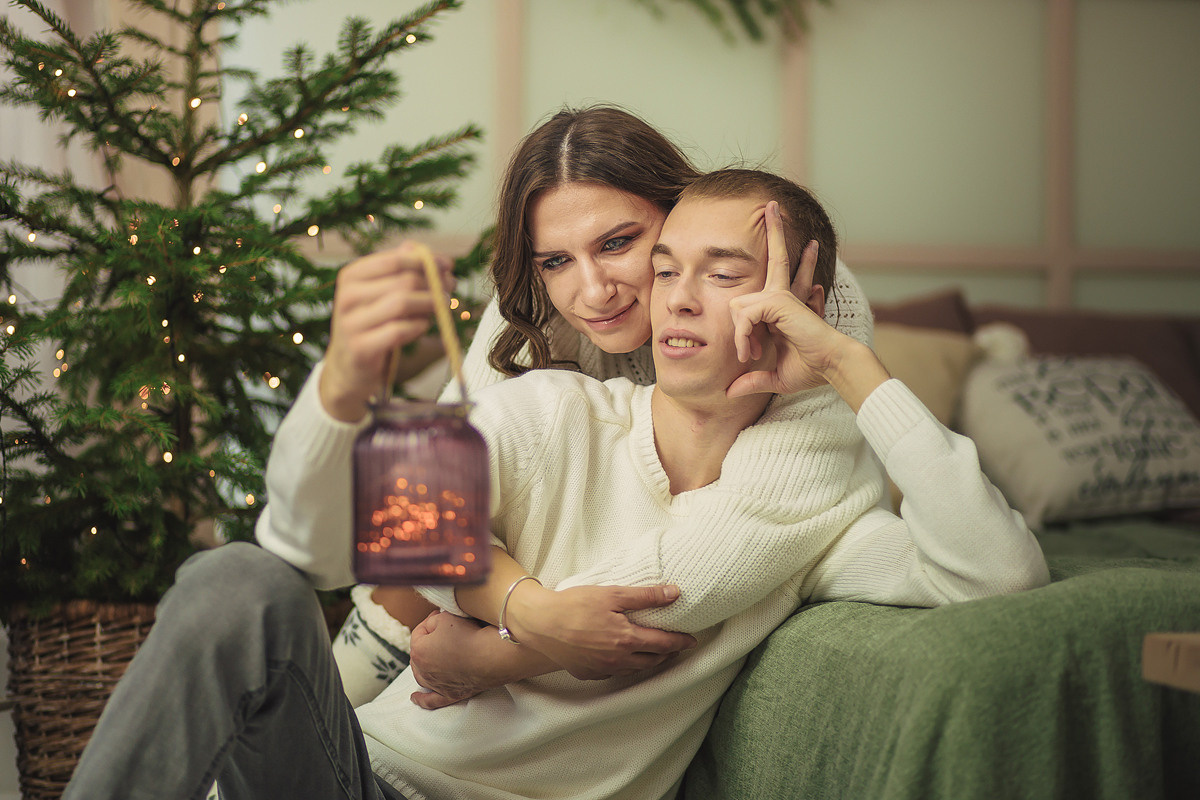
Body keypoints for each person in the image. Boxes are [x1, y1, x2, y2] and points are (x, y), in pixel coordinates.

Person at [64, 168, 1047, 800]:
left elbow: (998, 570)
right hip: (363, 776)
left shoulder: (813, 512)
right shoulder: (559, 408)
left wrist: (846, 364)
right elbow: (395, 528)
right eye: (668, 270)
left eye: (725, 271)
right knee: (240, 580)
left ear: (803, 299)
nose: (677, 299)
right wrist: (525, 611)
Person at [324, 106, 875, 704]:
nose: (592, 292)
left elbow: (729, 544)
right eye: (556, 260)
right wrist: (523, 607)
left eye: (617, 243)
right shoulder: (535, 312)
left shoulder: (801, 295)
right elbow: (422, 498)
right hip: (516, 582)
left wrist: (491, 658)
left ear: (679, 208)